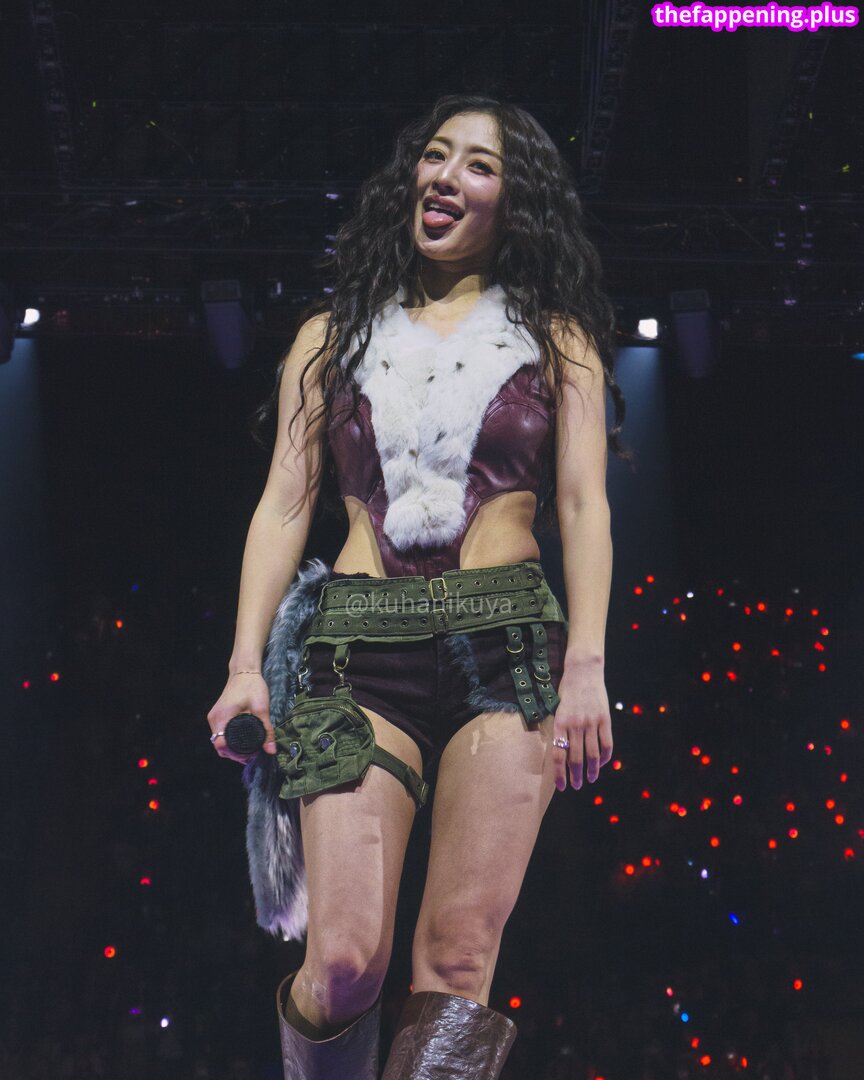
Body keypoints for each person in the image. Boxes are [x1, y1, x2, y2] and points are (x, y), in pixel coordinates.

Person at [206, 93, 632, 1079]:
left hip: (507, 647)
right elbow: (284, 504)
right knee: (344, 962)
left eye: (479, 164)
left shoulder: (557, 339)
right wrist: (244, 667)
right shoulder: (331, 337)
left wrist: (587, 666)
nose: (445, 176)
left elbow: (584, 509)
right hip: (359, 648)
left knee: (457, 960)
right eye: (436, 155)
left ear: (515, 205)